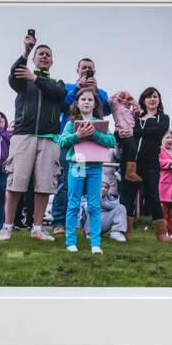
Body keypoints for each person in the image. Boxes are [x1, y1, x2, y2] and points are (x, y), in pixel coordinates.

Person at [0, 33, 66, 242]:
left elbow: (58, 94)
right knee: (15, 182)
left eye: (48, 55)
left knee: (44, 184)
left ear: (52, 61)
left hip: (48, 138)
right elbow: (13, 75)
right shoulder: (23, 79)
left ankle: (37, 228)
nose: (44, 57)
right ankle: (7, 226)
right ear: (35, 59)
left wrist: (35, 78)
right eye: (41, 54)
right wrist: (25, 51)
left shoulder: (57, 83)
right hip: (23, 136)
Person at [50, 57, 110, 234]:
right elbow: (62, 106)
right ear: (77, 70)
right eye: (83, 68)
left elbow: (105, 109)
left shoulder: (101, 92)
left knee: (91, 184)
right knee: (66, 183)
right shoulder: (68, 88)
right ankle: (59, 223)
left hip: (93, 142)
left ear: (94, 71)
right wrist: (77, 87)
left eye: (90, 68)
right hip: (72, 142)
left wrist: (95, 90)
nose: (86, 70)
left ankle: (85, 224)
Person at [53, 87, 115, 254]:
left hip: (95, 167)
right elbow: (62, 142)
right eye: (83, 99)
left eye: (90, 99)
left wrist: (95, 135)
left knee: (94, 206)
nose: (86, 102)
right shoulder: (71, 123)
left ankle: (96, 243)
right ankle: (70, 242)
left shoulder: (100, 123)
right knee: (73, 204)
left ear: (95, 104)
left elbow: (111, 141)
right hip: (78, 165)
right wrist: (77, 136)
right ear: (77, 103)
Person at [121, 87, 171, 242]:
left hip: (150, 163)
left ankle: (161, 234)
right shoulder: (135, 117)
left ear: (159, 100)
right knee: (127, 197)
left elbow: (158, 131)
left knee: (153, 196)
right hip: (131, 163)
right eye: (149, 97)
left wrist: (134, 132)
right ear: (143, 100)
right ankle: (124, 232)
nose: (152, 99)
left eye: (155, 96)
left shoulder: (162, 118)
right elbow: (122, 129)